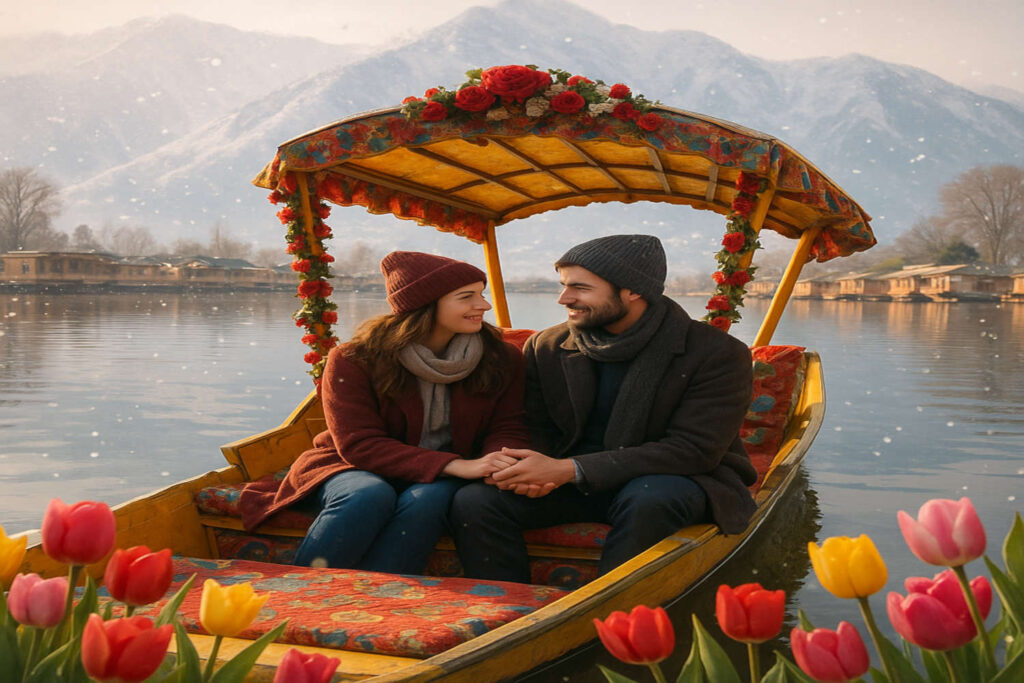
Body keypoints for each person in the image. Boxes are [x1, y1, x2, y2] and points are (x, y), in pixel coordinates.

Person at [450, 234, 758, 583]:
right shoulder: (546, 346)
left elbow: (694, 450)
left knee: (650, 500)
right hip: (570, 483)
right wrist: (528, 470)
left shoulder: (716, 353)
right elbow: (531, 425)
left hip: (671, 479)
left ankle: (615, 620)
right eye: (564, 285)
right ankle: (506, 608)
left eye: (580, 288)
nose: (564, 298)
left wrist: (567, 469)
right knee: (475, 500)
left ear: (633, 290)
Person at [239, 251, 529, 574]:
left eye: (481, 294)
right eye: (467, 297)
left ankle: (382, 597)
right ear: (425, 303)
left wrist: (497, 463)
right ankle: (301, 593)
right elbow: (359, 445)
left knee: (428, 500)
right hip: (352, 465)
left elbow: (508, 425)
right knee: (367, 495)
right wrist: (460, 465)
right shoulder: (355, 358)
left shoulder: (501, 357)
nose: (484, 306)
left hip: (444, 476)